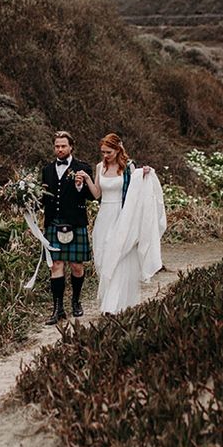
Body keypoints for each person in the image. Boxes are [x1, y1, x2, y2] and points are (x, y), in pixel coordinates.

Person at [76, 133, 167, 314]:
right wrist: (86, 179)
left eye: (108, 152)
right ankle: (111, 297)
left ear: (118, 150)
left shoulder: (128, 167)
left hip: (123, 214)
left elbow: (136, 190)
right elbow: (96, 194)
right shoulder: (100, 167)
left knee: (119, 256)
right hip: (105, 215)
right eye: (103, 152)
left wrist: (144, 175)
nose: (105, 155)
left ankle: (114, 305)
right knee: (103, 256)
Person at [41, 131, 96, 324]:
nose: (60, 149)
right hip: (53, 223)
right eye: (57, 146)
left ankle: (76, 301)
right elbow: (44, 197)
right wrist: (27, 201)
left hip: (75, 222)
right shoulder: (47, 169)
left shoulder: (82, 167)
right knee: (56, 265)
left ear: (71, 146)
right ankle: (58, 309)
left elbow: (92, 196)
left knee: (77, 267)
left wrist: (81, 187)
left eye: (63, 146)